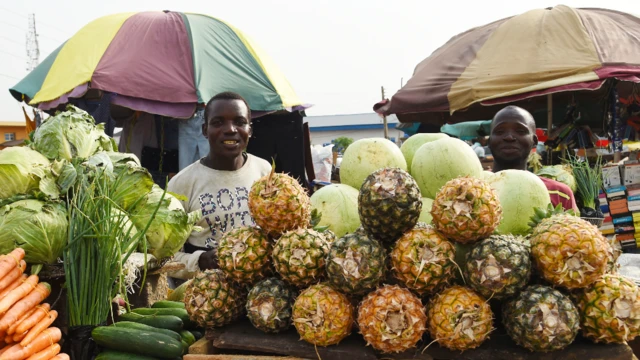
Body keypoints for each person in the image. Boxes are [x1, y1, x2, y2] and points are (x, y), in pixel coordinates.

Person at [167, 92, 271, 280]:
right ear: (205, 130)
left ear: (250, 129)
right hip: (207, 294)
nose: (230, 129)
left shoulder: (265, 171)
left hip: (261, 291)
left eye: (239, 122)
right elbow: (164, 259)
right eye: (218, 122)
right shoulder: (181, 184)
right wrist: (200, 261)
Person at [489, 105, 578, 211]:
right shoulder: (469, 191)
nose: (509, 137)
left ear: (534, 141)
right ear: (489, 141)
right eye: (499, 132)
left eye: (520, 131)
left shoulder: (559, 193)